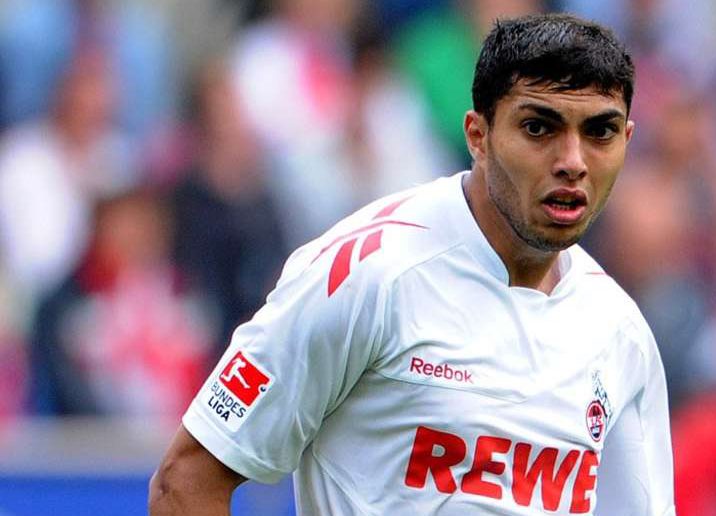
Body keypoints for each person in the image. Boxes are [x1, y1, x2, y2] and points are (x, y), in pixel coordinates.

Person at [149, 13, 674, 515]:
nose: (573, 162)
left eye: (600, 132)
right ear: (478, 136)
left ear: (627, 140)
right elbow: (186, 481)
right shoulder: (367, 274)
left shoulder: (620, 332)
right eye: (539, 128)